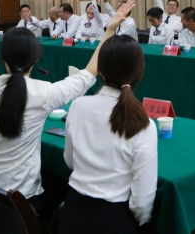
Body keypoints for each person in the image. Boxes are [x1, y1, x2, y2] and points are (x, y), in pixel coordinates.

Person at [0, 3, 135, 223]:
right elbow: (88, 74)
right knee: (63, 184)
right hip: (19, 199)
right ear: (36, 59)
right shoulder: (43, 93)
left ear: (2, 58)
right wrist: (109, 30)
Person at [59, 28, 157, 233]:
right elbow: (142, 201)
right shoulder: (143, 123)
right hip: (114, 219)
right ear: (139, 73)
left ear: (100, 72)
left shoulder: (78, 106)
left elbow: (70, 161)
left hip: (72, 213)